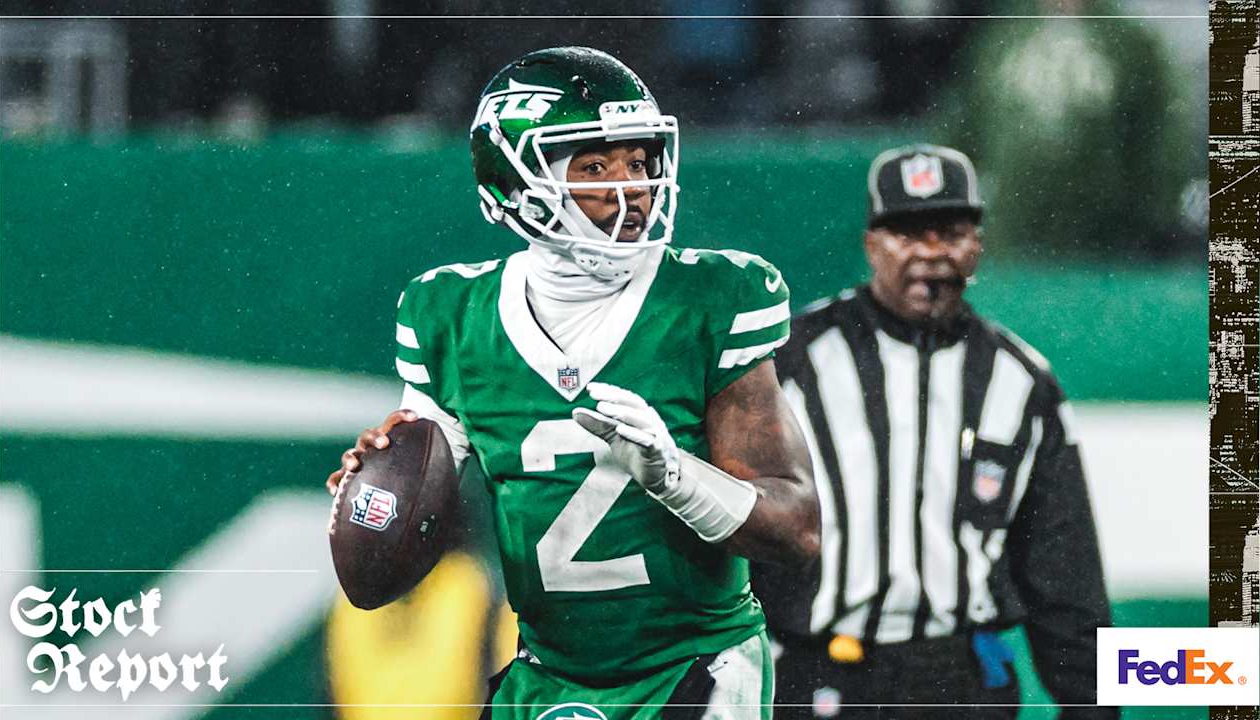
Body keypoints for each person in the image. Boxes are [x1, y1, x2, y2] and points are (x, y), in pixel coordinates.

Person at [326, 46, 820, 720]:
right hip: (548, 674)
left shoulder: (710, 297)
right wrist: (377, 487)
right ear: (515, 180)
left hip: (694, 662)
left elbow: (796, 529)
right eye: (595, 166)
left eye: (639, 162)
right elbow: (410, 508)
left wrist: (675, 477)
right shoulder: (451, 315)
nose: (631, 187)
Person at [757, 144, 1113, 719]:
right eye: (907, 234)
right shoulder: (791, 361)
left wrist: (1091, 705)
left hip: (961, 679)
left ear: (977, 246)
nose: (930, 253)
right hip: (819, 671)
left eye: (950, 233)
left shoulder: (1020, 381)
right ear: (871, 245)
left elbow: (1063, 566)